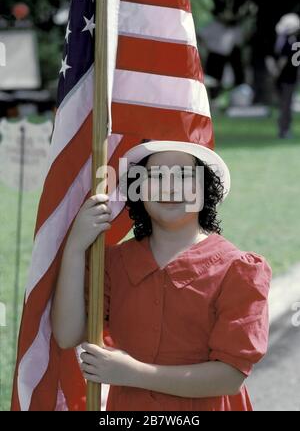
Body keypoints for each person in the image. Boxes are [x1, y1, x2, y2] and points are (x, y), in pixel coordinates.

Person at [51, 140, 272, 412]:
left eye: (184, 176)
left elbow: (229, 377)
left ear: (206, 189)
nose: (170, 187)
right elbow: (67, 334)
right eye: (156, 177)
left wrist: (134, 373)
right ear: (138, 190)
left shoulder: (238, 270)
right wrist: (75, 248)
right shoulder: (113, 263)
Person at [267, 13, 300, 139]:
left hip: (286, 77)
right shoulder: (291, 40)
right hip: (287, 77)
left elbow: (283, 60)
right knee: (285, 104)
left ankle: (284, 129)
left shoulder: (290, 40)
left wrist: (275, 72)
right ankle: (283, 129)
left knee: (285, 105)